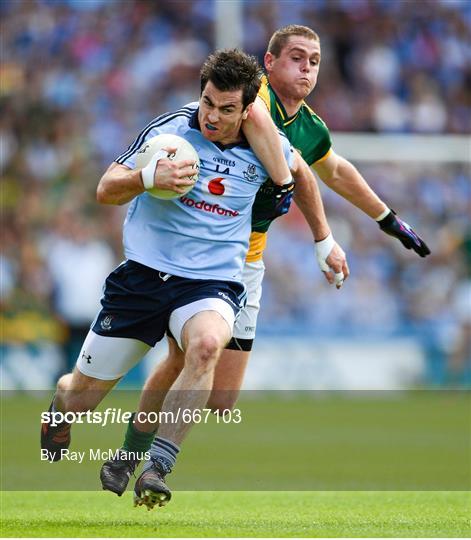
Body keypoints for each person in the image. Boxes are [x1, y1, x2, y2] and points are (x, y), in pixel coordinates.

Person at [98, 25, 431, 510]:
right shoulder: (251, 106)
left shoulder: (310, 125)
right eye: (296, 58)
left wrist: (384, 218)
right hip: (204, 262)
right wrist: (290, 192)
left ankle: (139, 456)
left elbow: (330, 170)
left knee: (222, 399)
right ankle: (139, 461)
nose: (307, 68)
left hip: (249, 264)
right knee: (185, 355)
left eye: (315, 61)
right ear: (269, 64)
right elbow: (283, 163)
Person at [40, 48, 342, 484]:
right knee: (80, 399)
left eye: (226, 109)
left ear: (247, 111)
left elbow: (303, 176)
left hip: (210, 282)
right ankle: (59, 409)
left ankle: (157, 467)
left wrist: (323, 240)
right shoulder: (171, 132)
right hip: (142, 276)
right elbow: (106, 189)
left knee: (204, 348)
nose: (212, 117)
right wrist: (148, 178)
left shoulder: (268, 146)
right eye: (208, 103)